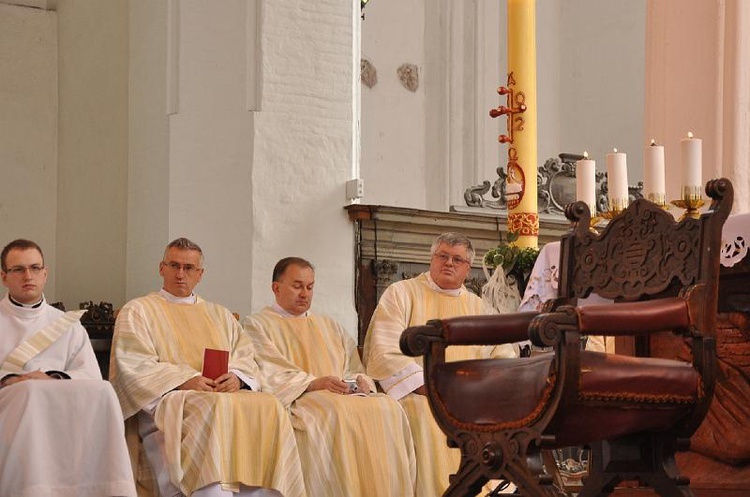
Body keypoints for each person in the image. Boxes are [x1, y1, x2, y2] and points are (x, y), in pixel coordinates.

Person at [109, 238, 305, 497]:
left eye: (189, 268)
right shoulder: (138, 311)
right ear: (161, 268)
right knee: (210, 407)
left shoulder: (220, 315)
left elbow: (245, 356)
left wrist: (237, 377)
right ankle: (210, 488)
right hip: (172, 408)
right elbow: (134, 365)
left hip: (222, 400)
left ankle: (263, 487)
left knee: (269, 404)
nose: (181, 274)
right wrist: (185, 380)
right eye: (174, 265)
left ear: (200, 274)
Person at [242, 257, 416, 497]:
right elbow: (268, 371)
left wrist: (359, 380)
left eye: (310, 287)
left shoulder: (329, 326)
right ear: (276, 287)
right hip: (299, 399)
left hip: (338, 395)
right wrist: (313, 383)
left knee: (387, 407)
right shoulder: (258, 325)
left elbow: (351, 366)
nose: (304, 293)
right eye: (297, 286)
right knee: (333, 410)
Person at [363, 232, 518, 497]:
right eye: (443, 256)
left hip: (469, 396)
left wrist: (483, 388)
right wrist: (430, 387)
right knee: (425, 414)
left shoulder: (477, 306)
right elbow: (384, 348)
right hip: (418, 393)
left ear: (467, 269)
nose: (449, 263)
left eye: (457, 259)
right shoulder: (401, 293)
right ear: (431, 259)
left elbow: (502, 354)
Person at [0, 238, 136, 497]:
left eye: (35, 268)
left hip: (61, 401)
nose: (28, 276)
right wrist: (14, 380)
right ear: (4, 277)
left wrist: (52, 377)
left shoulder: (66, 324)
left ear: (45, 273)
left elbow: (91, 376)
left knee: (106, 392)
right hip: (11, 403)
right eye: (18, 269)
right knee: (31, 393)